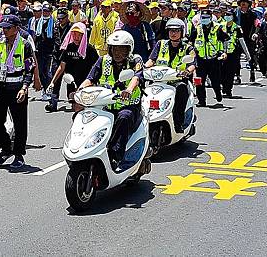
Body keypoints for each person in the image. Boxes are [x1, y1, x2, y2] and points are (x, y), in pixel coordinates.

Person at [78, 30, 144, 169]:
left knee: (124, 118)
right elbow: (91, 78)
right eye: (115, 48)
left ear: (129, 49)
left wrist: (128, 90)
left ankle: (115, 156)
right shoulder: (103, 60)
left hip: (128, 106)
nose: (117, 52)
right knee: (82, 116)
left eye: (122, 49)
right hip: (105, 106)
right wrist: (79, 90)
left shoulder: (135, 60)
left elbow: (136, 77)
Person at [0, 15, 35, 169]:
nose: (4, 30)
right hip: (1, 88)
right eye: (3, 27)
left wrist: (25, 87)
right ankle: (5, 147)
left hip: (17, 88)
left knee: (19, 123)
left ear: (16, 28)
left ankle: (18, 154)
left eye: (7, 27)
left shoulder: (24, 45)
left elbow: (29, 68)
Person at [145, 18, 196, 132]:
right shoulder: (160, 44)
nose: (173, 33)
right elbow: (151, 60)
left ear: (181, 32)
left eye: (176, 31)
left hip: (177, 81)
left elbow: (193, 64)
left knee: (182, 90)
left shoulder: (188, 48)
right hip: (159, 80)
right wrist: (144, 68)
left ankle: (178, 123)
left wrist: (187, 71)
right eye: (171, 31)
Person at [47, 22, 99, 113]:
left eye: (79, 35)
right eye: (74, 34)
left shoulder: (90, 50)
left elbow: (97, 67)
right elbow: (61, 67)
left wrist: (95, 82)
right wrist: (52, 82)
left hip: (86, 83)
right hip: (71, 82)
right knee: (75, 108)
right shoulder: (68, 48)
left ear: (83, 35)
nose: (76, 37)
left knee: (85, 109)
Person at [189, 7, 229, 106]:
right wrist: (191, 50)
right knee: (199, 81)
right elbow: (191, 40)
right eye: (203, 17)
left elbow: (226, 39)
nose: (204, 19)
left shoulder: (217, 28)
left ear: (211, 18)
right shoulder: (197, 28)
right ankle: (201, 101)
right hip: (200, 59)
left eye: (206, 17)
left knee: (215, 80)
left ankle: (218, 93)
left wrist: (224, 52)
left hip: (213, 58)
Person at [30, 3, 55, 102]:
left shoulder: (53, 23)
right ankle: (44, 89)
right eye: (44, 11)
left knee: (47, 71)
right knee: (39, 71)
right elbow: (35, 36)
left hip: (49, 51)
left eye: (47, 11)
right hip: (39, 50)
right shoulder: (37, 22)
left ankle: (47, 90)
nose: (45, 13)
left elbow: (55, 37)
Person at [219, 8, 243, 98]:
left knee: (230, 73)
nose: (227, 17)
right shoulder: (220, 26)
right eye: (226, 15)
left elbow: (242, 42)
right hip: (222, 52)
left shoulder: (237, 28)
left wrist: (248, 55)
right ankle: (223, 85)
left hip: (233, 53)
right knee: (221, 71)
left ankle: (228, 89)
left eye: (229, 15)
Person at [236, 0, 258, 83]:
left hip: (249, 38)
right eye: (242, 3)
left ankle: (252, 72)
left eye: (245, 3)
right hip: (238, 38)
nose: (243, 5)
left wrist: (255, 33)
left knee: (251, 56)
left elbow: (257, 24)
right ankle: (237, 76)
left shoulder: (253, 14)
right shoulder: (236, 13)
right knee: (237, 58)